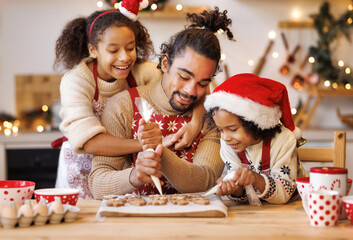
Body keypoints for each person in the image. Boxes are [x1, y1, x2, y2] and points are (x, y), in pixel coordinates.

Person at [53, 0, 204, 199]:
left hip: (118, 171)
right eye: (113, 51)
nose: (124, 57)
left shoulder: (143, 72)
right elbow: (89, 142)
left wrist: (195, 123)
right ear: (93, 50)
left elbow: (197, 79)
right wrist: (147, 144)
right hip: (81, 169)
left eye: (130, 48)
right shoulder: (76, 81)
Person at [88, 7, 235, 199]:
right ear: (165, 64)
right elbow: (97, 184)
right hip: (133, 224)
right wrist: (133, 176)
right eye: (183, 77)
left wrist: (159, 151)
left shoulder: (212, 117)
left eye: (202, 83)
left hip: (194, 224)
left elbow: (205, 181)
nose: (190, 91)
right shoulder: (123, 106)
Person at [203, 73, 307, 204]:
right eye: (220, 130)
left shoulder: (284, 140)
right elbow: (243, 194)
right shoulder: (229, 144)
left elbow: (284, 193)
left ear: (254, 123)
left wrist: (255, 179)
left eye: (233, 129)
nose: (225, 137)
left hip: (293, 209)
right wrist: (234, 189)